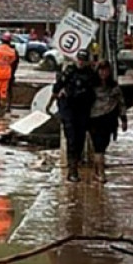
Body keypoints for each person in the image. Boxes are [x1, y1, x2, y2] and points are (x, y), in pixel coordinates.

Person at [48, 49, 99, 182]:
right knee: (71, 137)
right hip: (68, 107)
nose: (81, 62)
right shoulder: (70, 71)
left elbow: (99, 91)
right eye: (79, 59)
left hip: (83, 109)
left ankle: (76, 163)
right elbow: (57, 87)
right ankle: (72, 170)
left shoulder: (92, 74)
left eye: (84, 60)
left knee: (80, 138)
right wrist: (49, 105)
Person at [87, 61, 128, 183]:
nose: (103, 73)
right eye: (101, 70)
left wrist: (124, 119)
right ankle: (101, 173)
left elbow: (121, 103)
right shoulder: (91, 85)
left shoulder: (113, 86)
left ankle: (96, 171)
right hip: (94, 119)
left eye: (106, 70)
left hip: (109, 120)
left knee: (102, 146)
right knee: (98, 146)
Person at [0, 32, 20, 116]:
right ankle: (2, 110)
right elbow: (12, 61)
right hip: (7, 74)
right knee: (3, 92)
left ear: (2, 40)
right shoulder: (12, 52)